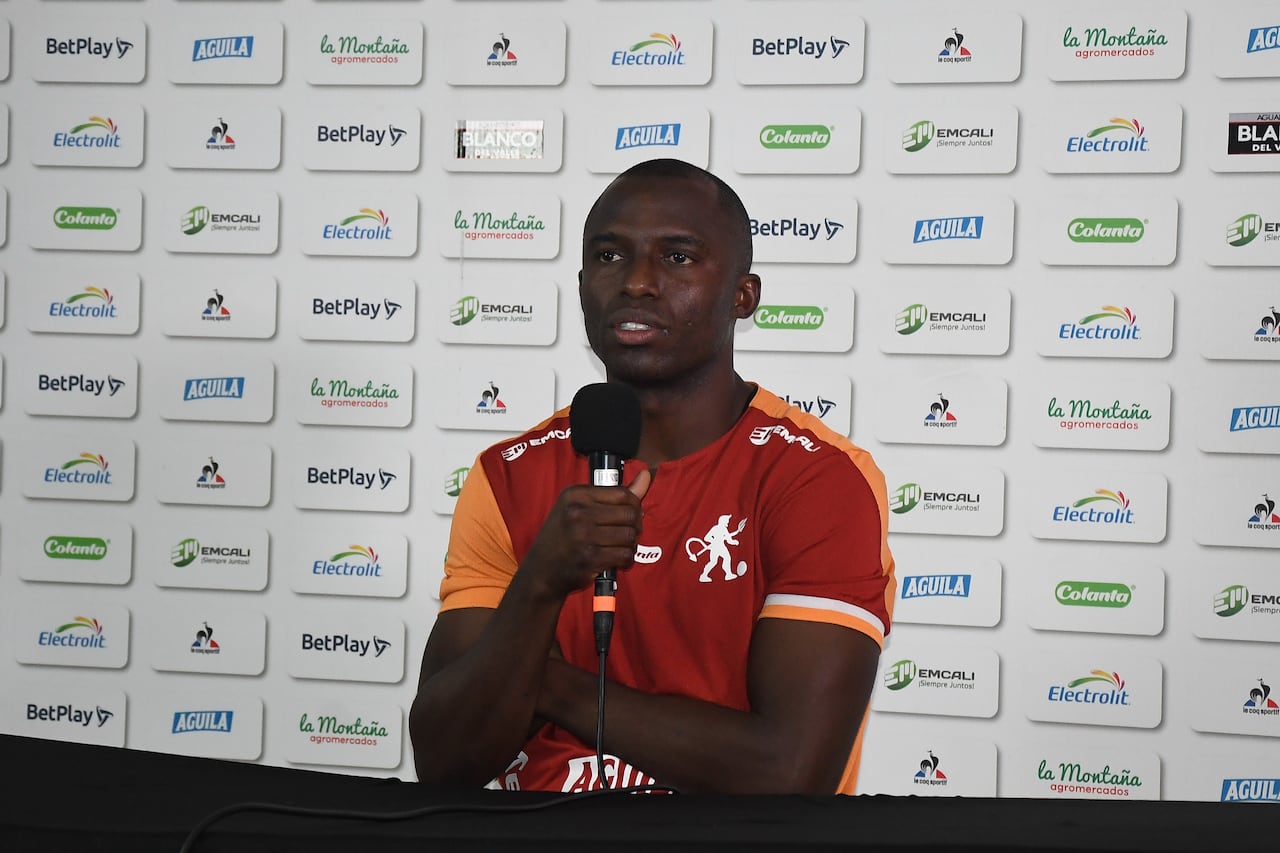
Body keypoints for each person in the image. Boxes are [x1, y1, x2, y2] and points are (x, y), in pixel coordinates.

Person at [410, 158, 895, 794]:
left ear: (744, 296)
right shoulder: (508, 476)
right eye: (609, 256)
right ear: (582, 283)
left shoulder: (818, 479)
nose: (637, 283)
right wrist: (539, 583)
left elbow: (790, 774)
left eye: (678, 258)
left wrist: (548, 682)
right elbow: (445, 763)